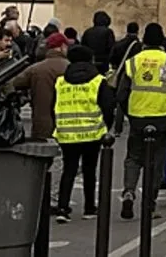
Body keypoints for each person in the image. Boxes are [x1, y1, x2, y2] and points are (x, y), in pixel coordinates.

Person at [117, 22, 166, 220]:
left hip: (138, 117)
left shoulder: (134, 61)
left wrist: (129, 112)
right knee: (156, 162)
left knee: (133, 157)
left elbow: (122, 93)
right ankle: (150, 203)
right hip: (164, 116)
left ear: (145, 41)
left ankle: (129, 191)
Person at [53, 45, 117, 223]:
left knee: (69, 170)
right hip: (91, 132)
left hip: (66, 132)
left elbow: (53, 105)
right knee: (90, 170)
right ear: (91, 60)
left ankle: (62, 208)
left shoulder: (60, 81)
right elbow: (108, 106)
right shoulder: (98, 81)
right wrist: (106, 127)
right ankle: (89, 207)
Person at [13, 32, 72, 141]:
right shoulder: (71, 68)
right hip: (67, 125)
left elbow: (16, 83)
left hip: (42, 127)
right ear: (62, 47)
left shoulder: (36, 69)